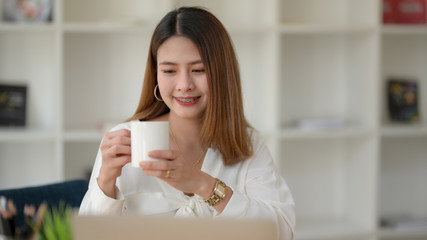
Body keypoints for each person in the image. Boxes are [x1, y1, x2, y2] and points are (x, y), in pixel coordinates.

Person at [79, 7, 295, 239]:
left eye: (198, 69)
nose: (184, 84)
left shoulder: (246, 142)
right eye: (170, 70)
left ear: (222, 73)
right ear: (156, 75)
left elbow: (281, 232)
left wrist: (204, 185)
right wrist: (106, 181)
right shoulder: (124, 138)